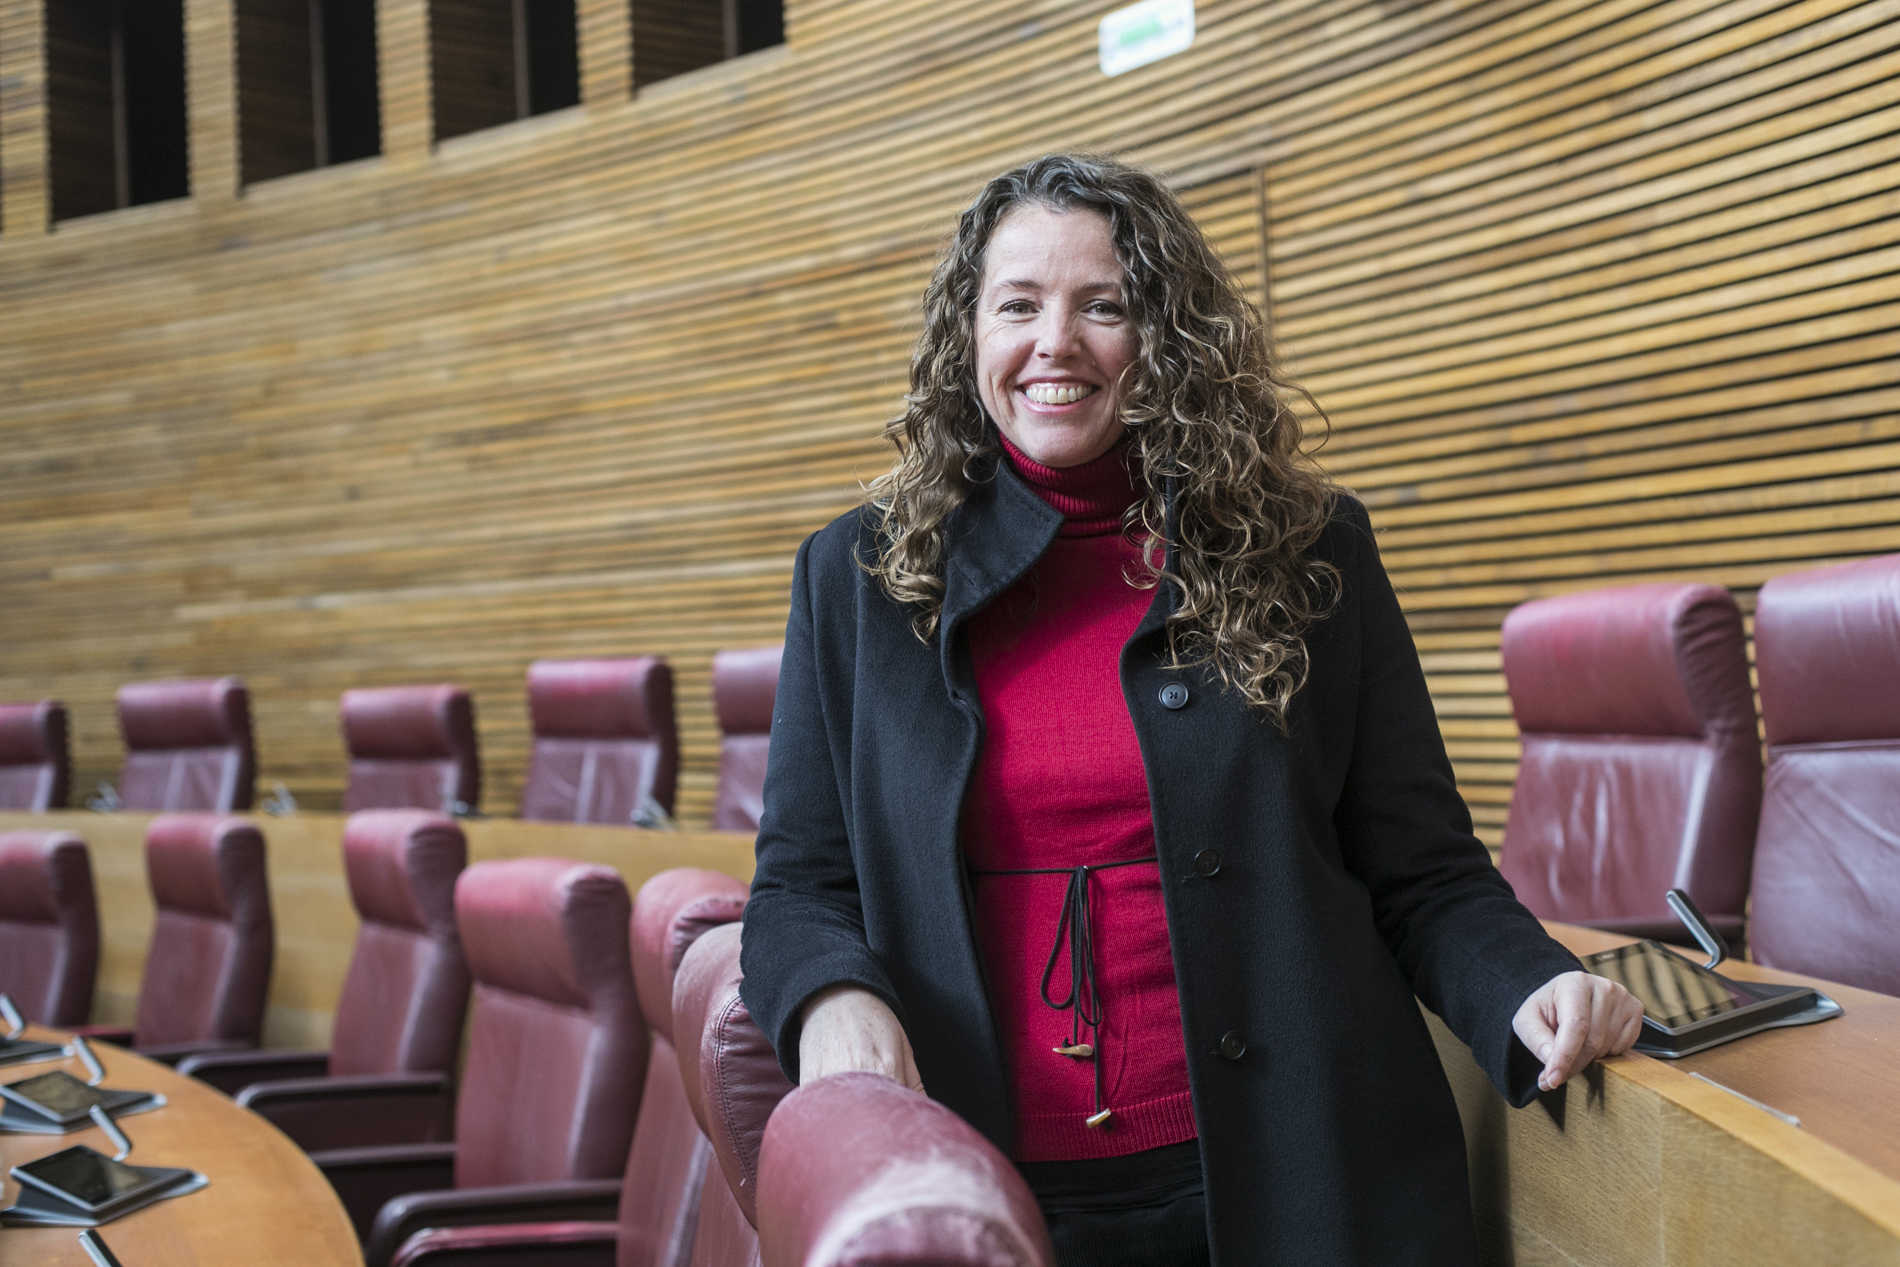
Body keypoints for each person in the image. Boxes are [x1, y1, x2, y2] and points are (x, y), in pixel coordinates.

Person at [739, 153, 1642, 1266]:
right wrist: (829, 998)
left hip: (1299, 1174)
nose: (1053, 342)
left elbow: (1424, 869)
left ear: (1164, 338)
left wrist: (1531, 983)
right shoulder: (860, 578)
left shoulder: (1308, 551)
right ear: (966, 336)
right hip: (989, 1189)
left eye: (1102, 305)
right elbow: (795, 888)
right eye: (1016, 304)